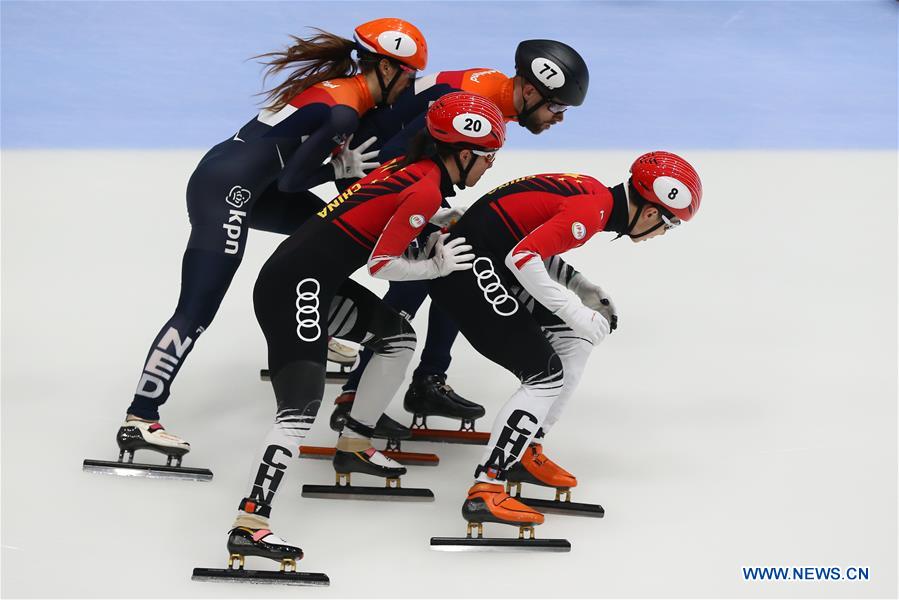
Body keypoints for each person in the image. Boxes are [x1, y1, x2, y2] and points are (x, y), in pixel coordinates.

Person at [113, 19, 428, 467]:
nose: (410, 86)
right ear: (387, 68)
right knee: (198, 308)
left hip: (246, 181)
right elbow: (294, 178)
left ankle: (314, 325)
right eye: (409, 76)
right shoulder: (344, 110)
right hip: (231, 192)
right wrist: (339, 169)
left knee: (322, 241)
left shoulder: (342, 89)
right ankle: (141, 415)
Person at [226, 92, 507, 565]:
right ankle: (250, 523)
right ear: (462, 154)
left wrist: (434, 226)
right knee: (299, 410)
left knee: (397, 338)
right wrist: (435, 266)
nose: (489, 168)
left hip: (307, 280)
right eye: (488, 158)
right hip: (296, 289)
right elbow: (382, 265)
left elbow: (387, 217)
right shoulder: (424, 187)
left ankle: (355, 441)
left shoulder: (413, 169)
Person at [426, 152, 702, 535]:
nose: (660, 235)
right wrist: (577, 311)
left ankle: (523, 447)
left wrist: (581, 287)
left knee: (573, 341)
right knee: (544, 376)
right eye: (668, 226)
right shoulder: (593, 211)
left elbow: (530, 242)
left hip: (484, 261)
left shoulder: (597, 200)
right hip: (466, 273)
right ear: (652, 213)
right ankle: (486, 487)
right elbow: (523, 257)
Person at [330, 40, 591, 436]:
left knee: (457, 255)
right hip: (362, 175)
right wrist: (427, 213)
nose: (559, 118)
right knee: (435, 265)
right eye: (556, 107)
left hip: (381, 172)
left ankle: (423, 379)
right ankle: (359, 393)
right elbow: (393, 159)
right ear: (532, 91)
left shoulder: (494, 97)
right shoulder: (473, 104)